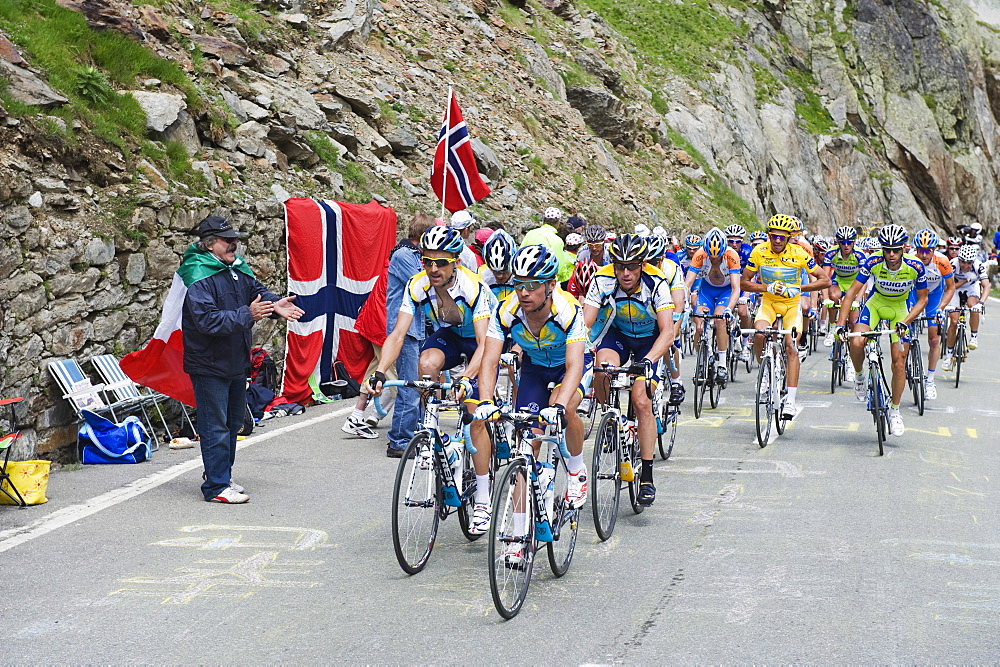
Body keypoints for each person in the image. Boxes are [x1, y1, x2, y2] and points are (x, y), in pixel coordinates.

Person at [369, 225, 496, 533]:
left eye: (441, 263)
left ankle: (482, 497)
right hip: (451, 335)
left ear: (455, 262)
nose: (433, 268)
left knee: (475, 414)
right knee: (425, 365)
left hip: (483, 338)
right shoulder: (417, 285)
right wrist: (381, 370)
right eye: (427, 261)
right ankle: (434, 431)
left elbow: (483, 345)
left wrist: (466, 377)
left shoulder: (472, 286)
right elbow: (398, 334)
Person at [475, 244, 589, 567]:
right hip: (536, 369)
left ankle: (577, 469)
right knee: (525, 449)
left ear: (551, 285)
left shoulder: (569, 311)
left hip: (570, 366)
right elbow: (490, 359)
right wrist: (485, 401)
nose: (523, 292)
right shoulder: (506, 311)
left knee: (562, 409)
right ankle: (517, 537)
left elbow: (574, 367)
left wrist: (560, 402)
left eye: (532, 285)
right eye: (518, 284)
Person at [182, 215, 304, 504]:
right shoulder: (197, 275)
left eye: (235, 238)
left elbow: (257, 293)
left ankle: (220, 474)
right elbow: (207, 321)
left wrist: (276, 305)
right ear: (210, 244)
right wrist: (248, 314)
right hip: (208, 363)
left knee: (235, 421)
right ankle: (215, 486)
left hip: (235, 359)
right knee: (215, 423)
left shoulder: (235, 270)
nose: (235, 243)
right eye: (228, 240)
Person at [583, 234, 677, 506]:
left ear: (642, 264)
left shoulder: (656, 282)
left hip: (650, 340)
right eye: (620, 266)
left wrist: (648, 362)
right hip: (619, 335)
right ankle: (610, 418)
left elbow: (668, 331)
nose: (625, 273)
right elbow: (585, 322)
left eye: (632, 266)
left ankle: (646, 475)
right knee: (602, 370)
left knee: (640, 400)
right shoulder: (602, 280)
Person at [836, 224, 927, 437]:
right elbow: (850, 294)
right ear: (882, 250)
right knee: (856, 341)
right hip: (876, 305)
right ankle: (859, 375)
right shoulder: (873, 262)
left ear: (904, 248)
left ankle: (895, 411)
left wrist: (907, 320)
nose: (892, 254)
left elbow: (923, 299)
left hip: (900, 310)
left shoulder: (915, 265)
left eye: (896, 250)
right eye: (887, 250)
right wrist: (840, 325)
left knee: (899, 361)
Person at [741, 214, 830, 419]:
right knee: (760, 333)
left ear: (789, 237)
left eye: (782, 236)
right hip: (769, 303)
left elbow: (824, 280)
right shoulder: (759, 252)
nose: (778, 240)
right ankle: (763, 370)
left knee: (791, 346)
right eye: (774, 236)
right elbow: (744, 282)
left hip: (791, 305)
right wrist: (766, 287)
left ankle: (790, 400)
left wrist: (799, 288)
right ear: (769, 235)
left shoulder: (799, 253)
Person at [383, 213, 436, 457]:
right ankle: (400, 440)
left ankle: (415, 431)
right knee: (409, 385)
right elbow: (424, 281)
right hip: (404, 330)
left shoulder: (414, 255)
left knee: (421, 383)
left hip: (418, 327)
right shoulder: (404, 256)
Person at [685, 228, 742, 383]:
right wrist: (683, 304)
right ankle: (702, 360)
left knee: (720, 320)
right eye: (711, 257)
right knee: (698, 324)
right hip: (707, 290)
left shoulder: (732, 255)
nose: (715, 259)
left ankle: (722, 364)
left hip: (726, 290)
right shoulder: (700, 255)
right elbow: (687, 284)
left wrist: (729, 309)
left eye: (718, 257)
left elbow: (736, 288)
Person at [910, 228, 955, 400]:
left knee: (934, 339)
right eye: (920, 250)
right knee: (906, 336)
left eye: (927, 250)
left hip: (934, 298)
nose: (923, 255)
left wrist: (941, 308)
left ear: (934, 250)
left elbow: (950, 288)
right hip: (914, 296)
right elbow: (905, 286)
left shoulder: (942, 262)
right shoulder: (911, 261)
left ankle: (929, 381)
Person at [521, 207, 575, 283]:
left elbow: (520, 255)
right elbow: (559, 269)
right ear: (558, 222)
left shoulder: (530, 234)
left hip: (525, 278)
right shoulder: (556, 240)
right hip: (545, 282)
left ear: (544, 220)